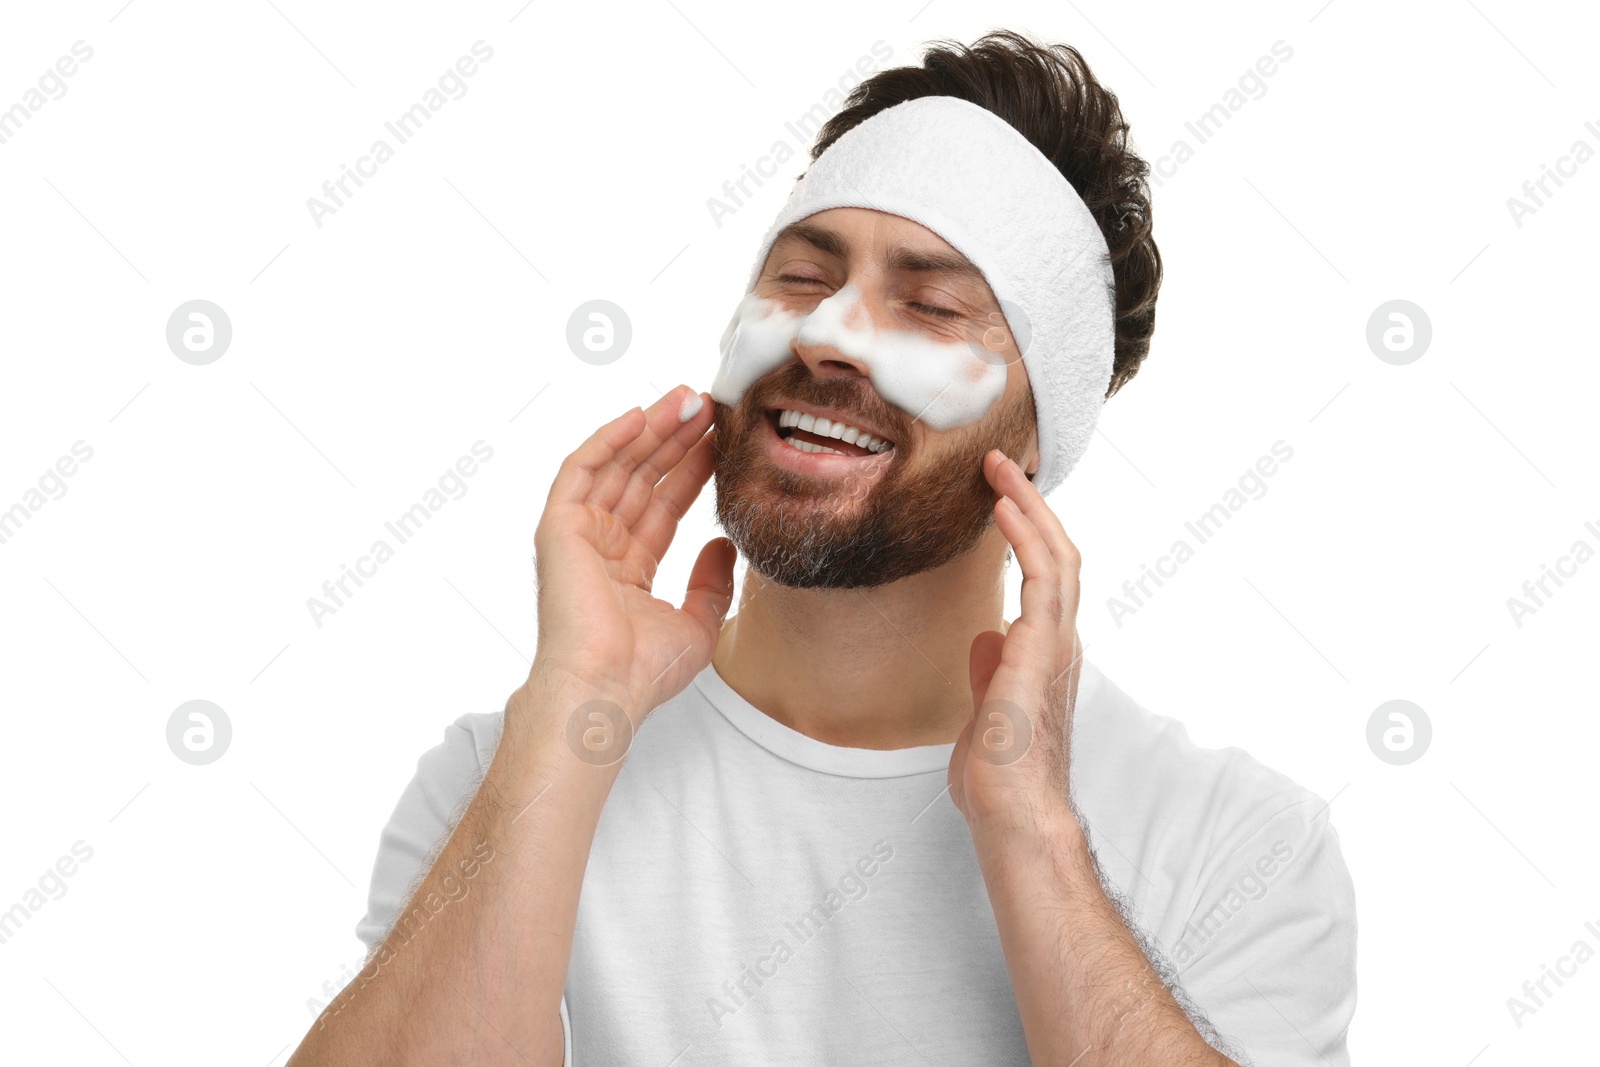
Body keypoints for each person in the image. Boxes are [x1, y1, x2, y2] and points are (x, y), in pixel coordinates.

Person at [289, 30, 1355, 1067]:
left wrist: (1029, 829)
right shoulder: (509, 776)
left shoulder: (1233, 842)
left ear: (1038, 434)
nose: (827, 334)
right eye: (801, 278)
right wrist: (572, 717)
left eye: (930, 304)